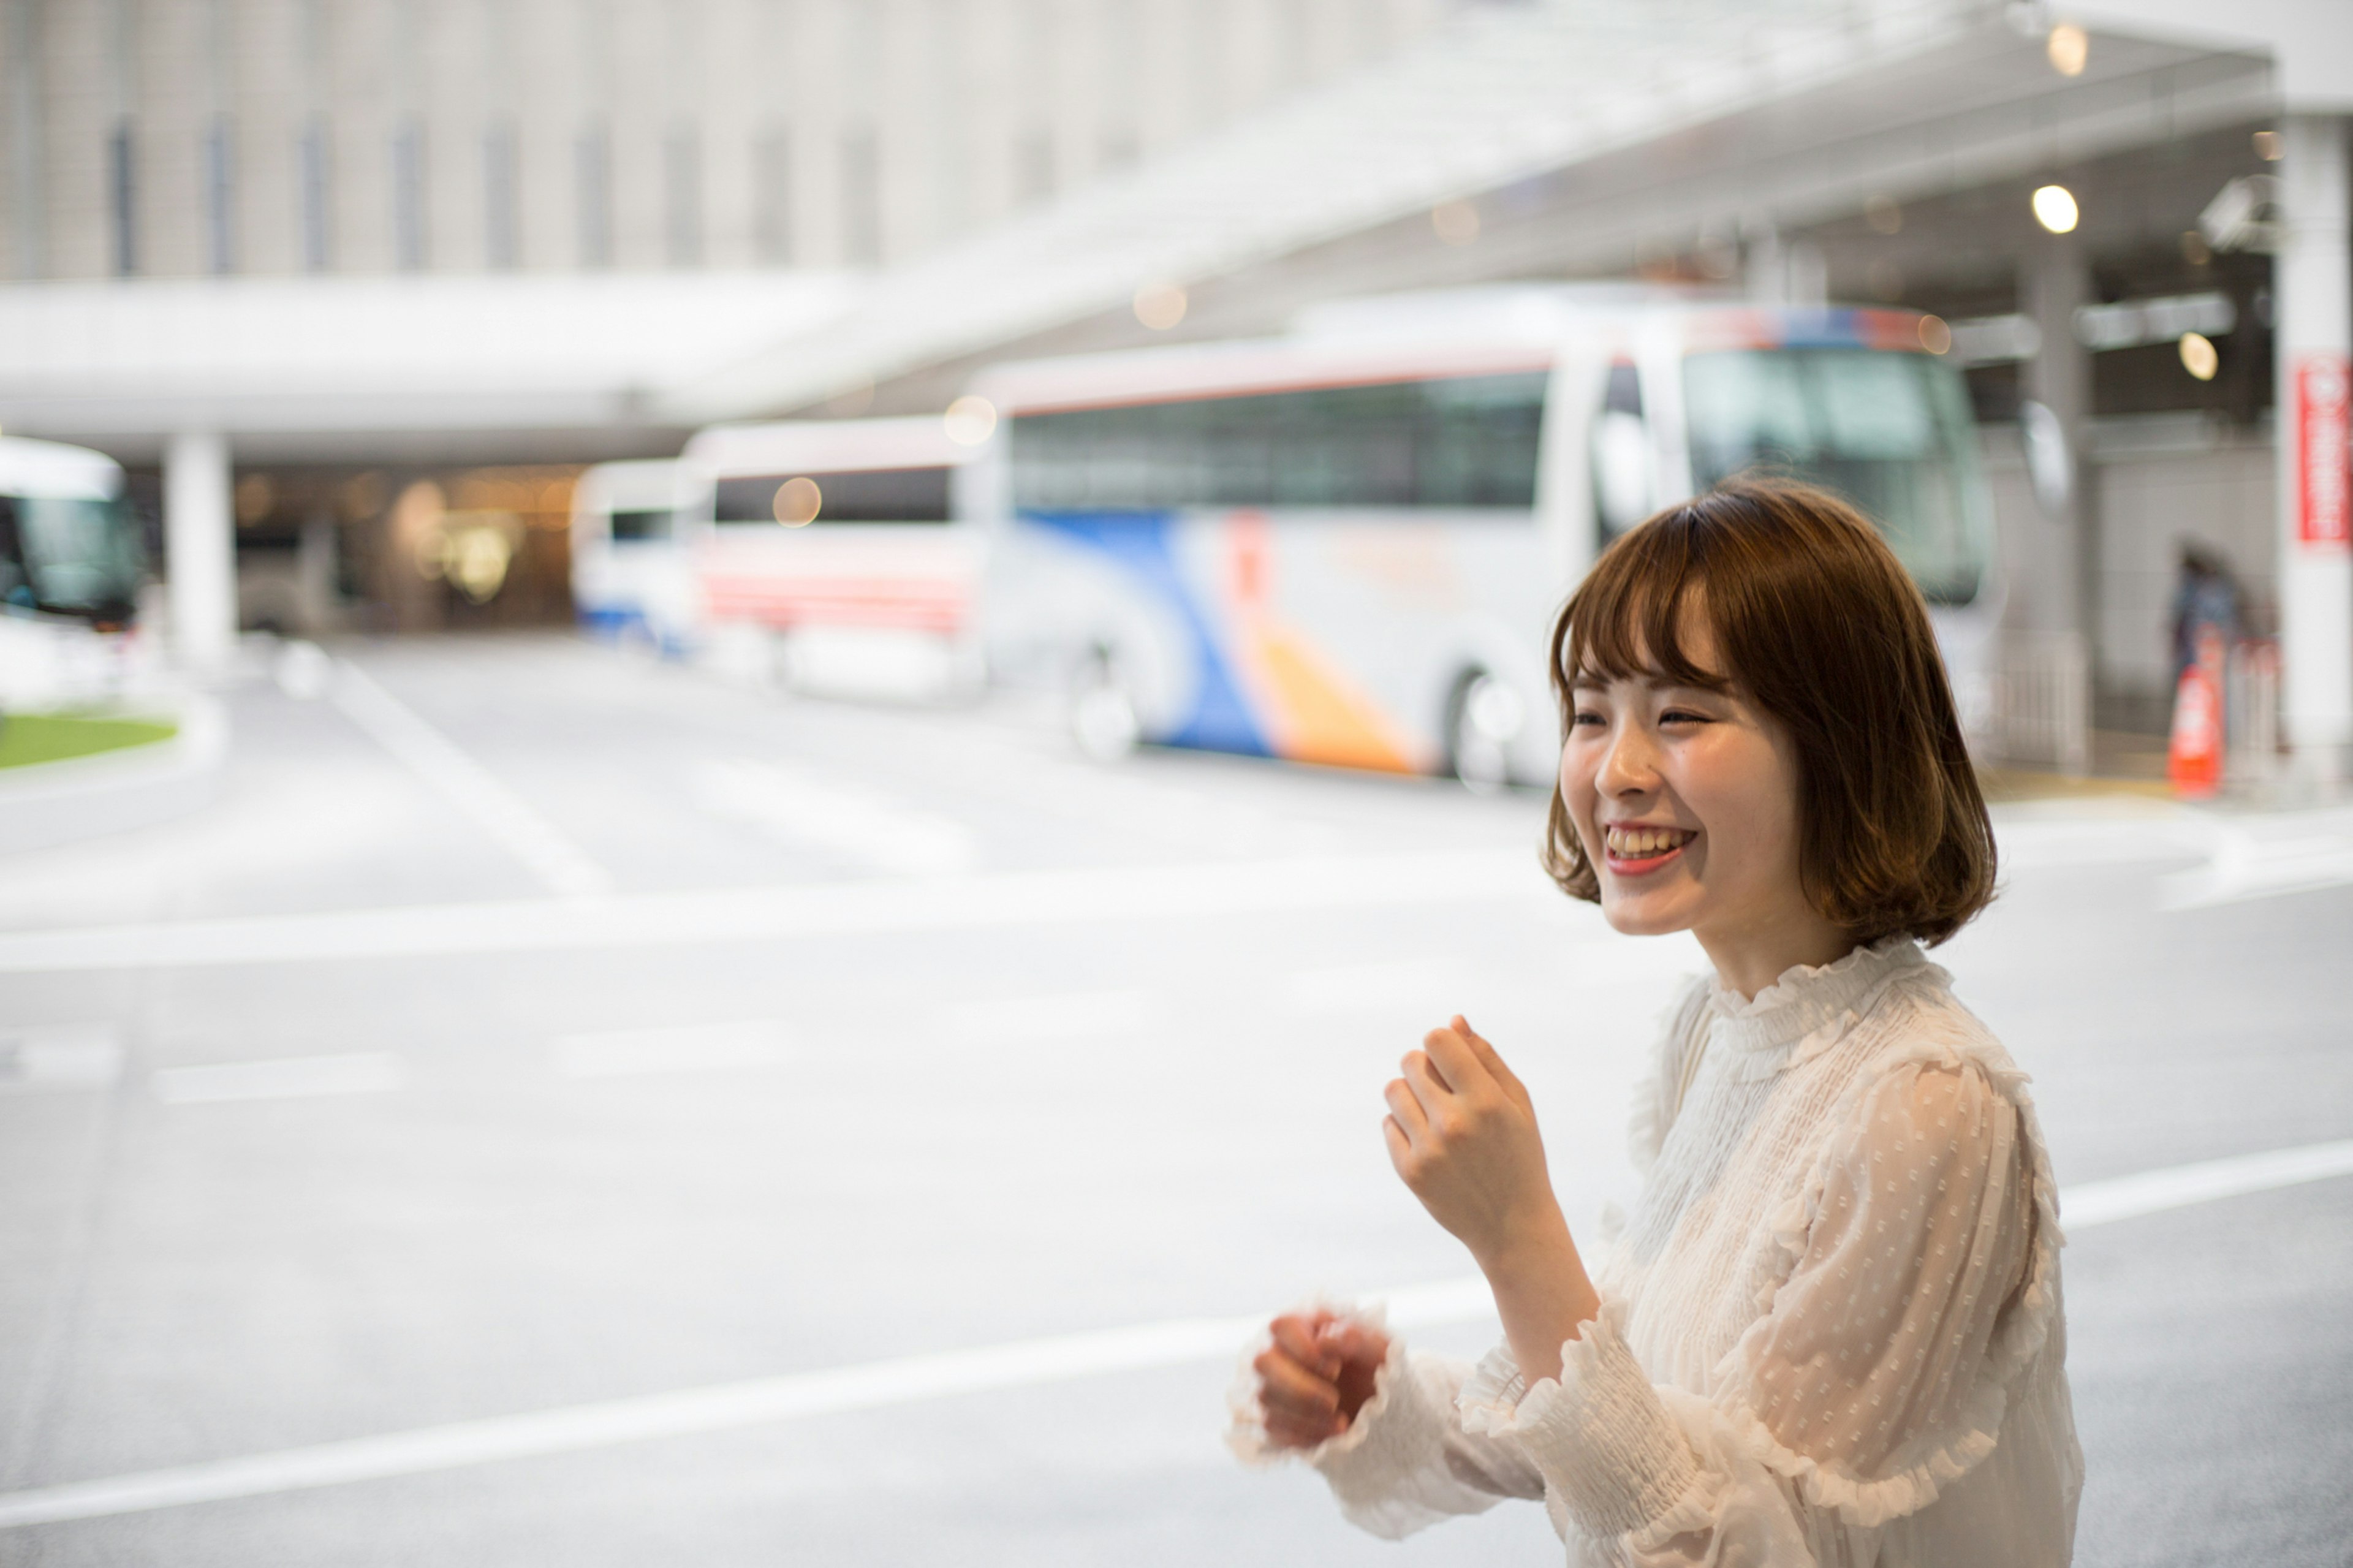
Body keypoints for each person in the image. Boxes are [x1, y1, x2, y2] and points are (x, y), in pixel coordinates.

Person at [1229, 479, 2081, 1566]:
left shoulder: (1927, 1107)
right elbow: (1643, 1407)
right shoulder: (1718, 1031)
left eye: (1681, 715)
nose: (1616, 772)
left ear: (1842, 741)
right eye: (1591, 714)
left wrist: (1515, 1233)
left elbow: (1733, 1547)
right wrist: (1381, 1404)